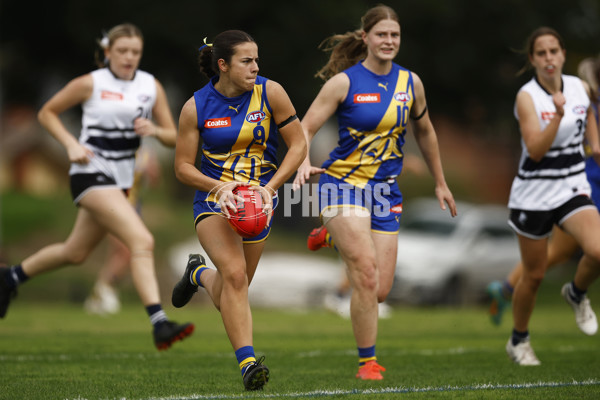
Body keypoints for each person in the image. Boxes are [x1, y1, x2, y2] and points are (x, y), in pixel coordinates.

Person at [0, 23, 194, 350]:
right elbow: (47, 113)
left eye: (135, 52)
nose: (129, 57)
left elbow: (174, 135)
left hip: (119, 182)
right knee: (142, 239)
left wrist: (155, 132)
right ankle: (159, 323)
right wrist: (70, 145)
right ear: (108, 52)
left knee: (75, 252)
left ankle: (9, 278)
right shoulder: (91, 83)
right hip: (89, 174)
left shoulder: (150, 85)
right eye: (122, 51)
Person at [292, 5, 457, 380]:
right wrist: (302, 162)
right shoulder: (344, 83)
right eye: (382, 34)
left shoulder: (410, 84)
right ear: (365, 38)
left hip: (385, 192)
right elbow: (305, 126)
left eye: (395, 35)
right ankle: (368, 362)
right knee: (364, 273)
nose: (389, 41)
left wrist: (440, 181)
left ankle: (331, 235)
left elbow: (426, 131)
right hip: (341, 185)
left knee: (380, 290)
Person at [170, 30, 306, 391]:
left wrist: (270, 188)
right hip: (214, 202)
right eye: (247, 61)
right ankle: (248, 364)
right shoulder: (195, 107)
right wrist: (218, 186)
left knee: (235, 285)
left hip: (259, 203)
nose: (255, 67)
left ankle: (197, 275)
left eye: (256, 59)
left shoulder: (271, 93)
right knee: (234, 276)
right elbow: (183, 167)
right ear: (223, 65)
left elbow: (299, 145)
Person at [503, 27, 600, 366]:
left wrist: (595, 143)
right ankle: (518, 340)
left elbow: (586, 110)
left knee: (598, 250)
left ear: (562, 54)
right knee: (535, 274)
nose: (549, 59)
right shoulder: (527, 97)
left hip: (572, 185)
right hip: (533, 194)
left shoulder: (579, 86)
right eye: (541, 53)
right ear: (532, 59)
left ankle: (576, 292)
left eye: (554, 51)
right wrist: (557, 114)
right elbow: (536, 150)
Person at [84, 146, 161, 315]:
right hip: (113, 205)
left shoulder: (145, 152)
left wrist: (151, 169)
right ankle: (103, 289)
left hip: (133, 206)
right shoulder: (113, 146)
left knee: (117, 253)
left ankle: (99, 295)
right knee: (125, 251)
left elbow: (155, 181)